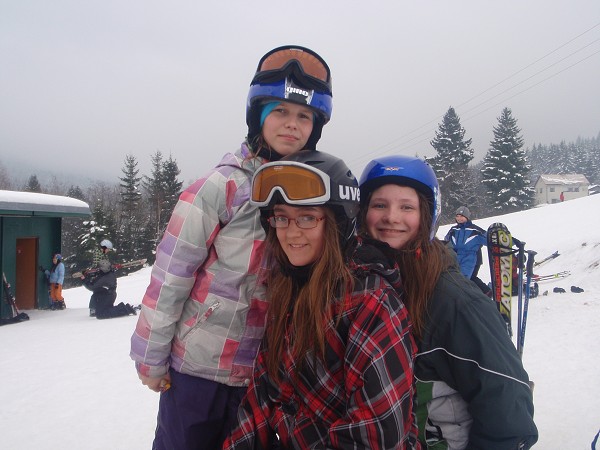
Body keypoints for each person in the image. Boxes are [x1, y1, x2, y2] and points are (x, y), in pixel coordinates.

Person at [130, 45, 334, 449]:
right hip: (198, 370)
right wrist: (151, 357)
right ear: (258, 114)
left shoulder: (307, 193)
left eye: (303, 116)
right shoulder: (221, 186)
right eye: (279, 111)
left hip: (262, 374)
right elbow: (171, 275)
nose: (291, 124)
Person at [224, 151, 419, 449]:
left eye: (307, 217)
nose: (291, 233)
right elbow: (260, 400)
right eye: (281, 218)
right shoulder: (288, 289)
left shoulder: (371, 303)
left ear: (337, 224)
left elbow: (375, 436)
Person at [358, 155, 538, 450]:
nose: (391, 216)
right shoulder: (362, 287)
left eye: (407, 207)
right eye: (380, 205)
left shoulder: (455, 303)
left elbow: (510, 418)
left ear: (426, 215)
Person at [444, 206, 491, 296]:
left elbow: (490, 239)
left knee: (463, 280)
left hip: (470, 258)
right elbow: (446, 242)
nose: (459, 218)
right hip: (455, 257)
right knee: (455, 279)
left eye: (462, 216)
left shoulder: (475, 230)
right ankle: (484, 292)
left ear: (467, 217)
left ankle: (480, 294)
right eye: (457, 216)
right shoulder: (453, 230)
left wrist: (507, 241)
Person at [87, 239, 114, 316]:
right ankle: (93, 309)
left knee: (103, 291)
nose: (108, 251)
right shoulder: (97, 253)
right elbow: (97, 264)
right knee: (97, 291)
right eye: (108, 249)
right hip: (97, 275)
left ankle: (101, 306)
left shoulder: (104, 254)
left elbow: (107, 263)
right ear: (104, 247)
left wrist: (110, 267)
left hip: (103, 275)